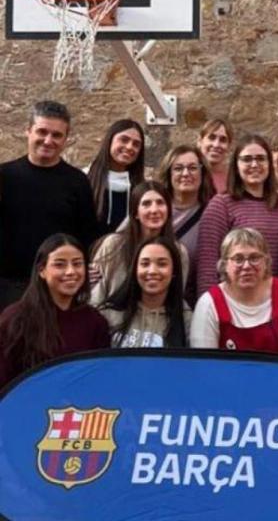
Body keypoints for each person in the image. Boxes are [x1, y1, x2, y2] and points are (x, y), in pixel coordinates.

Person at [0, 101, 98, 309]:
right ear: (28, 131)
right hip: (9, 288)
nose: (48, 140)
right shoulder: (5, 176)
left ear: (66, 139)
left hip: (58, 288)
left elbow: (87, 236)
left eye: (56, 135)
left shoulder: (77, 182)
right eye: (42, 132)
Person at [0, 234, 109, 388]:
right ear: (42, 270)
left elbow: (100, 380)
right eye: (60, 265)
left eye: (77, 264)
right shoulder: (15, 319)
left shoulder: (95, 322)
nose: (71, 272)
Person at [190, 228, 278, 358]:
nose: (247, 266)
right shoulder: (209, 303)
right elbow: (205, 361)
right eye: (238, 259)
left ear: (266, 262)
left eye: (254, 258)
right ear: (224, 265)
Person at [196, 134, 278, 296]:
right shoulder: (221, 205)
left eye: (261, 158)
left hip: (275, 300)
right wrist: (211, 308)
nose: (254, 164)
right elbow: (207, 267)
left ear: (269, 163)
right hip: (234, 302)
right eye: (247, 159)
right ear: (236, 165)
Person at [90, 181, 190, 307]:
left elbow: (176, 298)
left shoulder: (179, 252)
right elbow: (94, 295)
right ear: (135, 213)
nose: (154, 210)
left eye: (160, 203)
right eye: (146, 204)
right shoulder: (113, 245)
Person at [99, 236, 190, 348]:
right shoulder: (108, 314)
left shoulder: (186, 319)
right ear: (135, 270)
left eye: (162, 264)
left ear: (174, 271)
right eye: (145, 264)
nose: (152, 271)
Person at [157, 144, 216, 305]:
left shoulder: (214, 212)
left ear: (202, 173)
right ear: (169, 173)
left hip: (190, 303)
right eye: (178, 168)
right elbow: (121, 240)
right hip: (151, 298)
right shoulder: (154, 207)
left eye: (192, 168)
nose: (185, 173)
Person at [85, 119, 145, 235]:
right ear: (110, 140)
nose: (129, 147)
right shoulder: (84, 180)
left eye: (136, 144)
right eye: (124, 140)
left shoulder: (141, 189)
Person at [197, 119, 234, 193]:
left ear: (229, 146)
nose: (216, 145)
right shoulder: (188, 176)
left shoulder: (234, 180)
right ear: (200, 141)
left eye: (223, 140)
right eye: (212, 137)